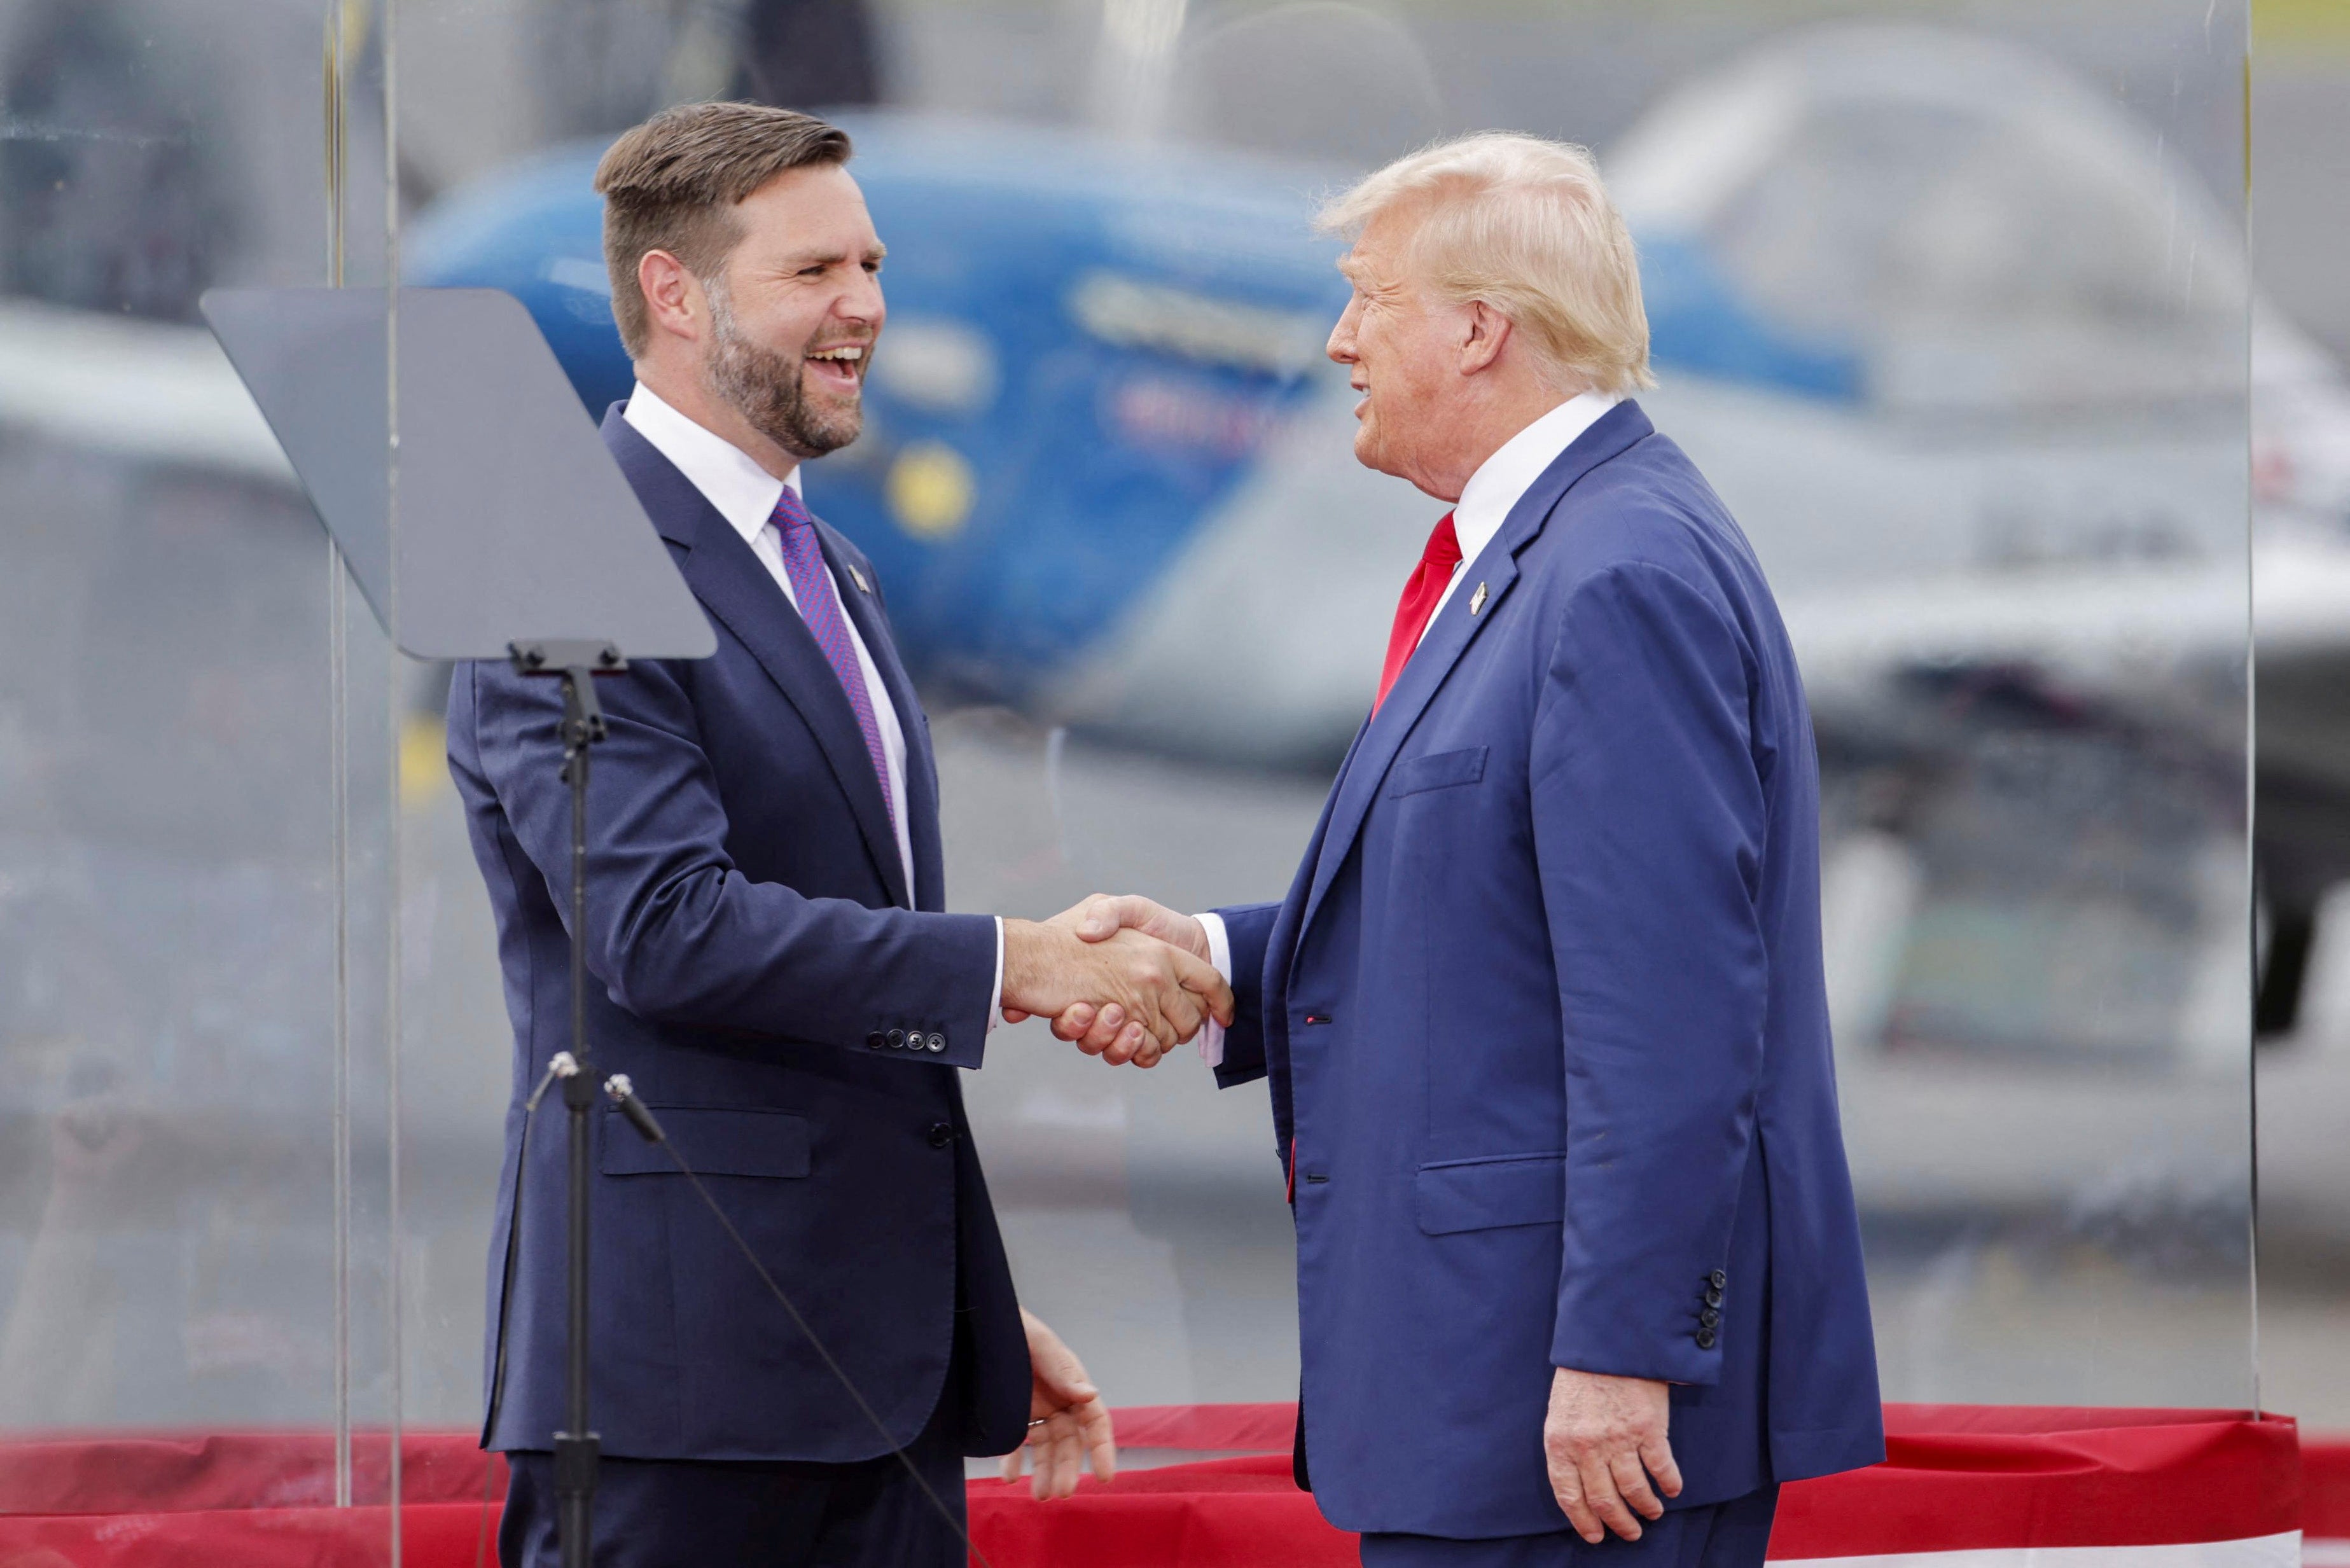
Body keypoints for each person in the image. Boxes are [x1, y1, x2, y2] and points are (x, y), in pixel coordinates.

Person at [1050, 133, 1884, 1567]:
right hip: (1491, 1400)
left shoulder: (1614, 574)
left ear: (1478, 329)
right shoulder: (1542, 552)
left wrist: (1622, 1353)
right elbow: (1490, 908)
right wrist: (1212, 956)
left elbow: (1671, 1007)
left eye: (1367, 299)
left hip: (1568, 1421)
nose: (1335, 339)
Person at [444, 101, 1230, 1568]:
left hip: (870, 1391)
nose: (865, 306)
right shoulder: (562, 558)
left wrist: (953, 1306)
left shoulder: (838, 570)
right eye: (812, 273)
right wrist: (1020, 965)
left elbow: (853, 1023)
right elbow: (663, 930)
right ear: (672, 295)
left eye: (870, 265)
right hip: (683, 1410)